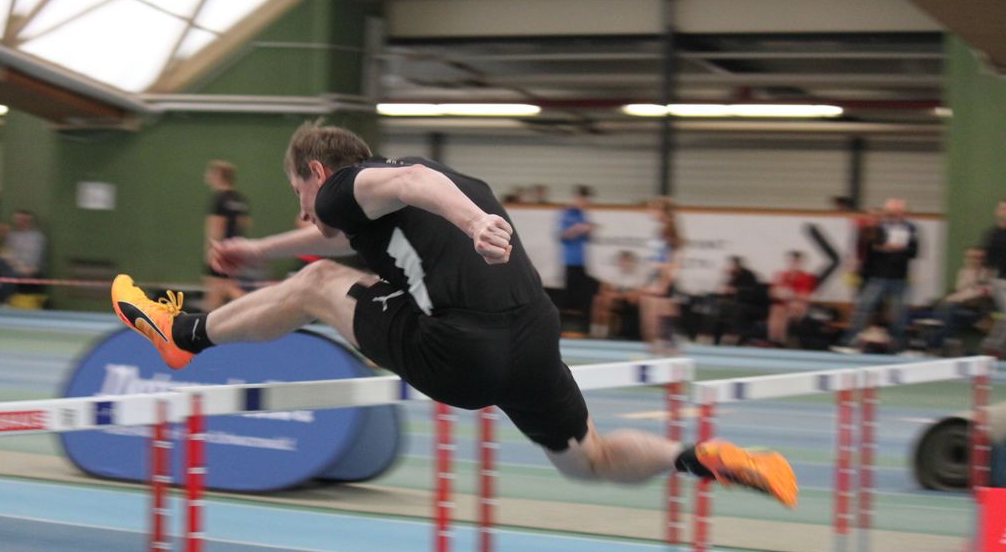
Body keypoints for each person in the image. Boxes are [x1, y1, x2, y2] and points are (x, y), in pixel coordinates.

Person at [111, 120, 796, 506]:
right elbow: (367, 220)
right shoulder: (401, 200)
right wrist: (261, 248)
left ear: (320, 175)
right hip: (533, 339)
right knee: (586, 458)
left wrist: (476, 225)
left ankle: (182, 334)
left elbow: (405, 187)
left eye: (299, 193)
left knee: (317, 284)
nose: (304, 211)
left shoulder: (351, 185)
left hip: (461, 349)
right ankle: (695, 457)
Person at [838, 198, 919, 352]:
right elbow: (872, 246)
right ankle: (849, 341)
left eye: (899, 212)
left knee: (899, 314)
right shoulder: (878, 226)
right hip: (877, 275)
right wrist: (891, 247)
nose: (895, 215)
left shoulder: (910, 228)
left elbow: (913, 251)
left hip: (899, 277)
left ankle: (899, 347)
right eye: (892, 212)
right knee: (863, 309)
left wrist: (893, 248)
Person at [202, 160, 251, 312]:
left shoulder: (219, 199)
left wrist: (211, 251)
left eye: (210, 173)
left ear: (218, 175)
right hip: (235, 249)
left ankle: (254, 309)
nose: (207, 176)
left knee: (217, 288)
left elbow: (216, 227)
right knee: (227, 286)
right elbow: (244, 224)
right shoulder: (240, 200)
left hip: (220, 251)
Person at [640, 197, 683, 351]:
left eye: (655, 209)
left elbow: (673, 258)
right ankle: (664, 340)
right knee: (655, 309)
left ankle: (667, 340)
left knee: (657, 310)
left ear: (664, 212)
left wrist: (665, 281)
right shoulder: (661, 230)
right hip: (657, 274)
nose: (652, 212)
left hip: (663, 275)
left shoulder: (669, 232)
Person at [557, 185, 598, 329]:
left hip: (581, 261)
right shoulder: (567, 214)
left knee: (585, 295)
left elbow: (587, 238)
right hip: (570, 261)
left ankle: (583, 327)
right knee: (568, 296)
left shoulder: (583, 215)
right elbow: (561, 235)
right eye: (585, 200)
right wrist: (578, 229)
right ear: (578, 198)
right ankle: (563, 326)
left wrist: (588, 231)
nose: (587, 204)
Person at [766, 250, 818, 347]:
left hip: (797, 305)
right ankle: (774, 341)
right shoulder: (780, 275)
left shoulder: (807, 277)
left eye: (796, 262)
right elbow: (772, 293)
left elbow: (805, 296)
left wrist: (791, 295)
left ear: (801, 263)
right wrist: (779, 293)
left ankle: (782, 341)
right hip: (781, 305)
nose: (793, 264)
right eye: (791, 261)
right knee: (777, 309)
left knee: (790, 307)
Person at [589, 250, 645, 339]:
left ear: (632, 263)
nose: (625, 263)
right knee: (598, 300)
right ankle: (596, 333)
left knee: (607, 299)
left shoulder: (638, 276)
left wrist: (616, 295)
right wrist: (614, 294)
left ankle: (603, 334)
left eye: (627, 261)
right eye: (623, 261)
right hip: (615, 301)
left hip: (631, 303)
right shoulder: (613, 274)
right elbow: (603, 289)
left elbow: (635, 296)